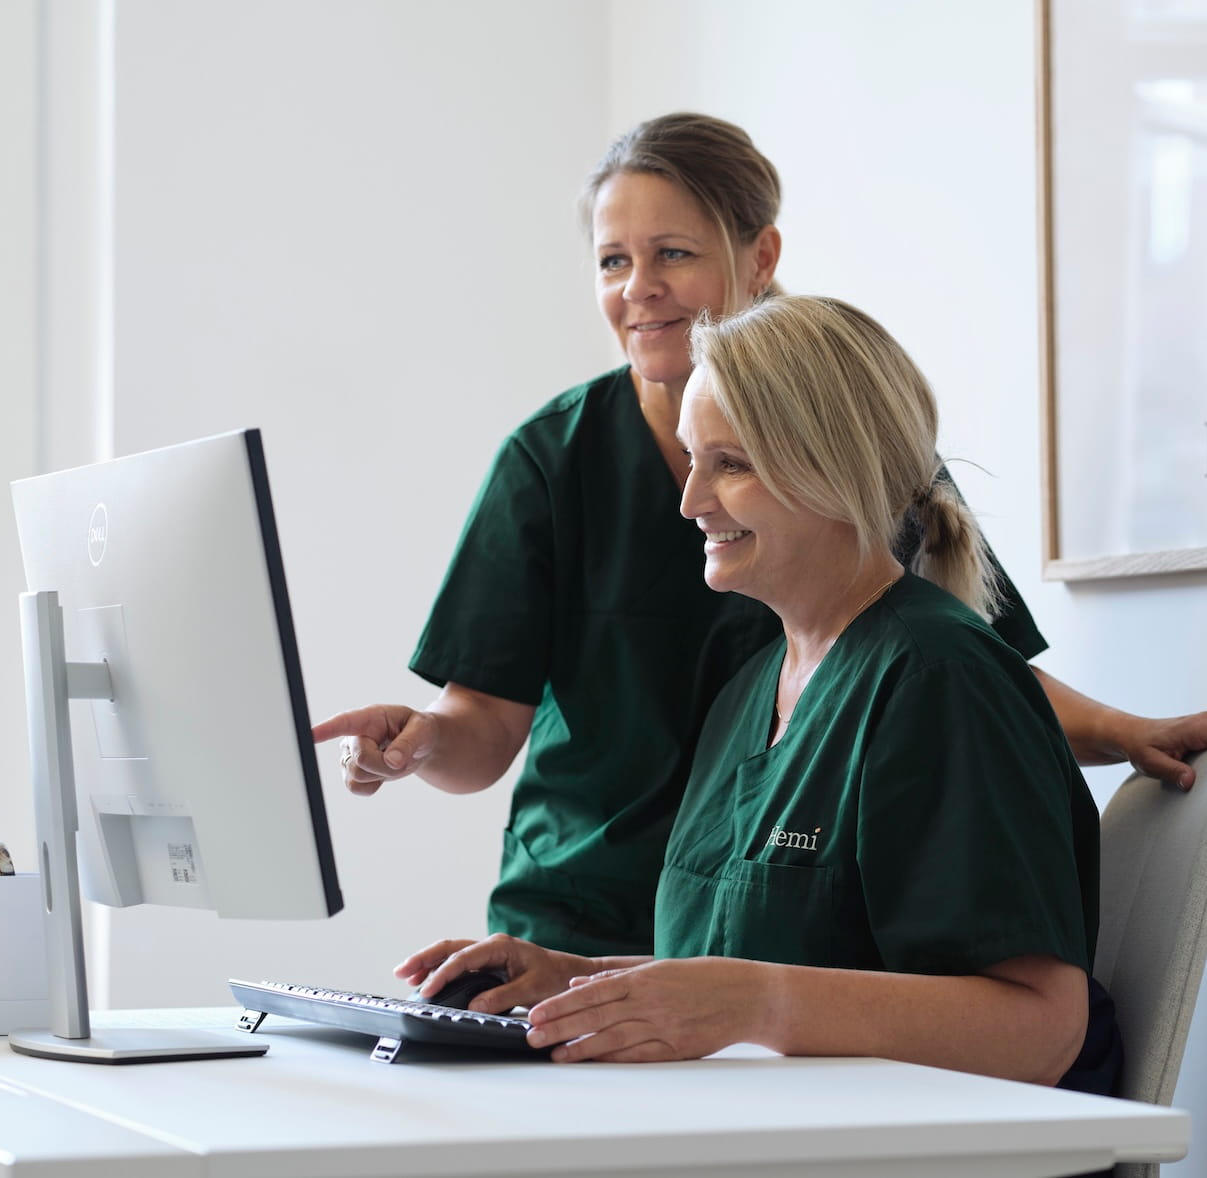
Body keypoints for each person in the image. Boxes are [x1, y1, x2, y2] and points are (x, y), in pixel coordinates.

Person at [313, 112, 1207, 959]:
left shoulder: (846, 440)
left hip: (783, 926)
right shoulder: (553, 461)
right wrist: (422, 741)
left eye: (672, 252)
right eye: (611, 262)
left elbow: (958, 665)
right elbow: (485, 722)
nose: (640, 289)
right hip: (588, 921)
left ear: (760, 256)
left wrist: (1122, 731)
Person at [392, 295, 1121, 1101]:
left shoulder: (939, 678)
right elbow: (776, 962)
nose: (690, 500)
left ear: (834, 468)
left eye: (729, 465)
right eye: (692, 459)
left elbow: (1040, 1030)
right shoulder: (752, 692)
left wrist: (756, 1003)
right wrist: (581, 978)